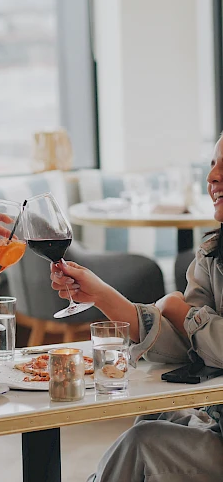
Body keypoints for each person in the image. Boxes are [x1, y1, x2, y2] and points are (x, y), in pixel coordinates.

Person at [50, 137, 223, 482]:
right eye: (213, 164)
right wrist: (100, 295)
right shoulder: (212, 254)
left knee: (144, 445)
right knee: (152, 421)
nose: (213, 177)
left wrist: (180, 309)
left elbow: (194, 328)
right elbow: (189, 346)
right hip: (216, 421)